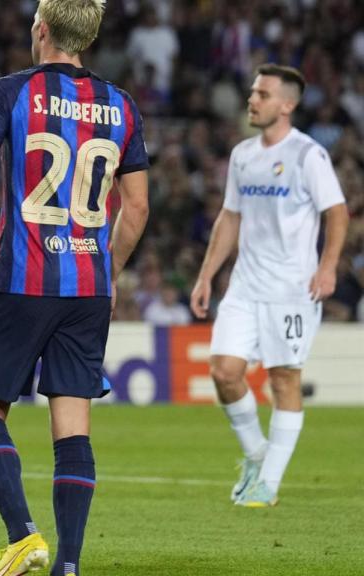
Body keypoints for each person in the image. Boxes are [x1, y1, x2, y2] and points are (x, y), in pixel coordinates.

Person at [0, 0, 149, 574]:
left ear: (41, 28)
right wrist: (110, 270)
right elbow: (135, 209)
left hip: (24, 280)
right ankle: (70, 565)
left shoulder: (11, 92)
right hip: (89, 287)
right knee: (72, 424)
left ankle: (22, 535)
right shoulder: (123, 106)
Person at [190, 64, 348, 508]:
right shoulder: (242, 155)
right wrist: (206, 275)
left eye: (262, 94)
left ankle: (269, 485)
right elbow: (230, 217)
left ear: (287, 104)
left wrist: (328, 267)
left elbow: (336, 213)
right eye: (253, 92)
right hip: (244, 286)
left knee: (283, 380)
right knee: (223, 371)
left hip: (292, 290)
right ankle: (259, 456)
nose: (252, 100)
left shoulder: (308, 155)